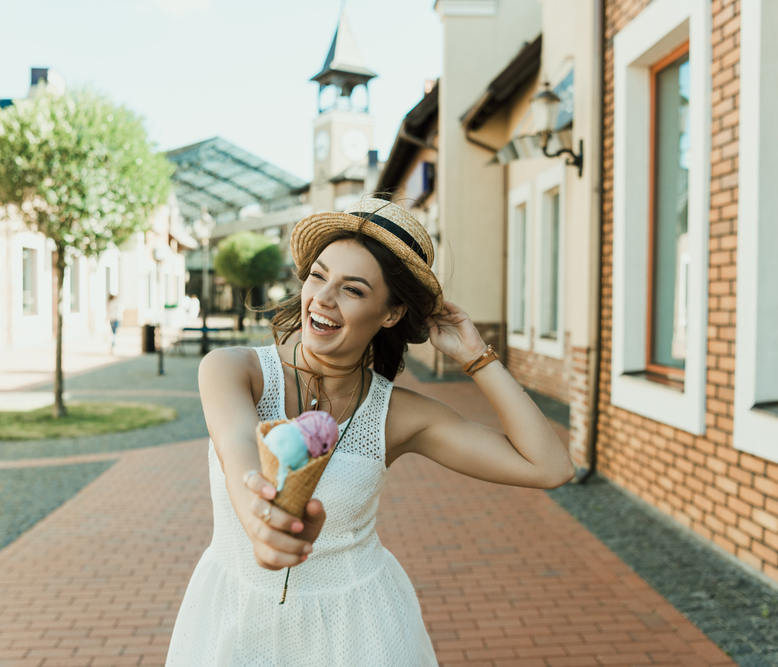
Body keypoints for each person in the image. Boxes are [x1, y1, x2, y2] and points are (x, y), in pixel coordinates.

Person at [164, 198, 574, 666]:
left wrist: (476, 357)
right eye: (318, 276)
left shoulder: (398, 415)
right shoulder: (235, 371)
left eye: (353, 289)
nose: (322, 298)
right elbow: (239, 450)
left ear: (392, 312)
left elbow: (551, 466)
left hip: (358, 629)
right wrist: (262, 524)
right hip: (233, 618)